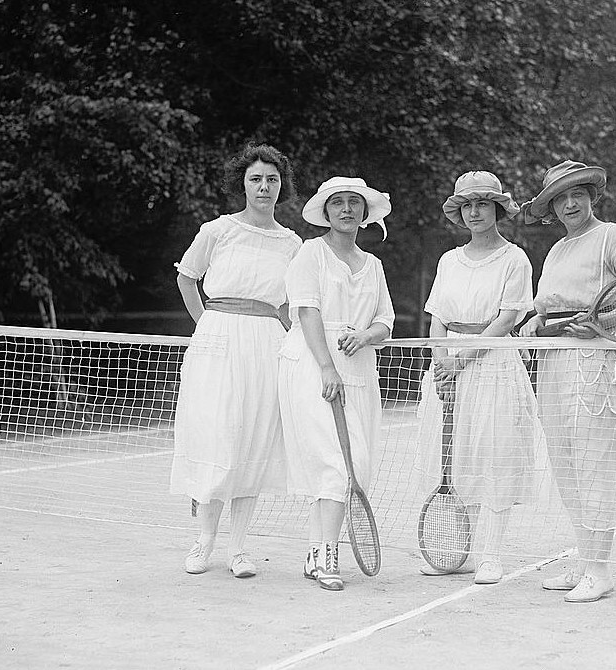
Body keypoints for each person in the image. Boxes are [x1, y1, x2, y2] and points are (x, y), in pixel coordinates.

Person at [521, 160, 616, 602]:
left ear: (591, 197)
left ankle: (600, 569)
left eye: (577, 194)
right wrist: (535, 324)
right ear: (551, 207)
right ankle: (584, 561)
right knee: (567, 463)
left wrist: (604, 322)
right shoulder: (557, 251)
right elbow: (545, 309)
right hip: (558, 363)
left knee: (597, 461)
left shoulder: (613, 236)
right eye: (560, 198)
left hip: (601, 364)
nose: (570, 203)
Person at [169, 142, 302, 578]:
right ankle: (203, 542)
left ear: (281, 186)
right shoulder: (217, 230)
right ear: (242, 184)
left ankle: (239, 550)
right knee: (217, 436)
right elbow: (187, 278)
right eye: (255, 179)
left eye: (272, 179)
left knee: (255, 441)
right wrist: (206, 325)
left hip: (267, 342)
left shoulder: (292, 243)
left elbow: (290, 306)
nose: (264, 186)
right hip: (218, 338)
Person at [417, 171, 542, 585]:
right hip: (448, 369)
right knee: (457, 456)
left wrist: (463, 357)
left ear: (497, 210)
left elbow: (508, 317)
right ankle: (463, 553)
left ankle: (491, 554)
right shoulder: (448, 260)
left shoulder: (514, 259)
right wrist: (441, 361)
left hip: (493, 365)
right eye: (467, 205)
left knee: (494, 453)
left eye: (483, 204)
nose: (474, 212)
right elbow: (436, 318)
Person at [278, 176, 394, 592]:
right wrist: (327, 368)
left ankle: (315, 552)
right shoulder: (311, 254)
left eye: (354, 203)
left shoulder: (374, 265)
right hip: (312, 364)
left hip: (360, 369)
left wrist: (366, 336)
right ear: (326, 212)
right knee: (334, 463)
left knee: (356, 465)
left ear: (365, 214)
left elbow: (385, 320)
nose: (346, 210)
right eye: (338, 203)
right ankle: (328, 555)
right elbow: (305, 312)